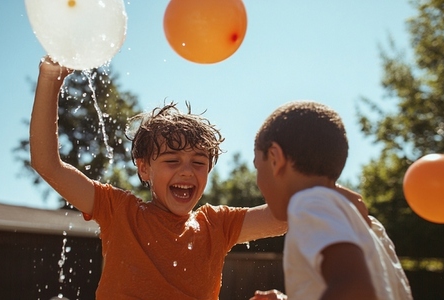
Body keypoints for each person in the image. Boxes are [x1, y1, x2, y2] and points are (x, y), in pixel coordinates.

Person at [30, 56, 365, 299]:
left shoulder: (216, 227)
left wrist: (328, 194)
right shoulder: (118, 210)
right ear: (144, 168)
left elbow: (283, 213)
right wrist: (51, 79)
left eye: (198, 162)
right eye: (172, 160)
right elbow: (47, 164)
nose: (187, 171)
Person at [249, 101, 412, 300]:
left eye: (258, 166)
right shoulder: (367, 226)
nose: (258, 181)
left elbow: (355, 290)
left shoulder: (308, 204)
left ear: (275, 158)